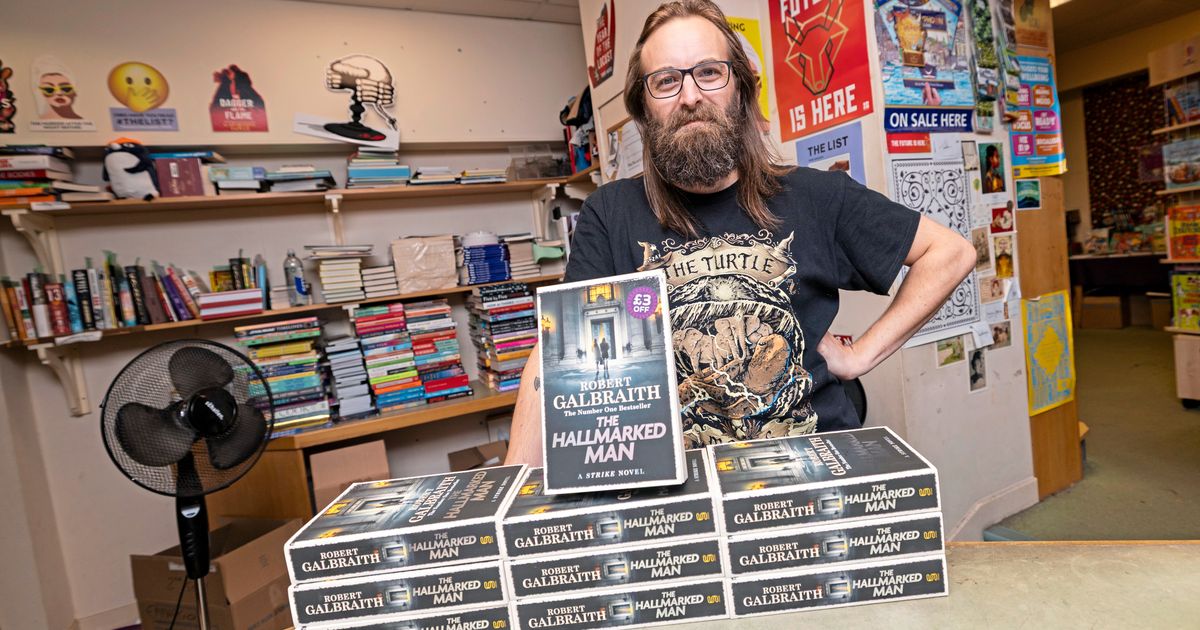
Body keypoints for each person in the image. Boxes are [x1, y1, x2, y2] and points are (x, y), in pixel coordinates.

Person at [504, 0, 975, 464]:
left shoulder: (817, 195)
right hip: (678, 484)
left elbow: (950, 253)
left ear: (741, 90)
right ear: (644, 112)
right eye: (666, 81)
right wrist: (513, 493)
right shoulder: (610, 213)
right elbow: (557, 356)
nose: (690, 96)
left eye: (709, 72)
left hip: (812, 470)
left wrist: (861, 356)